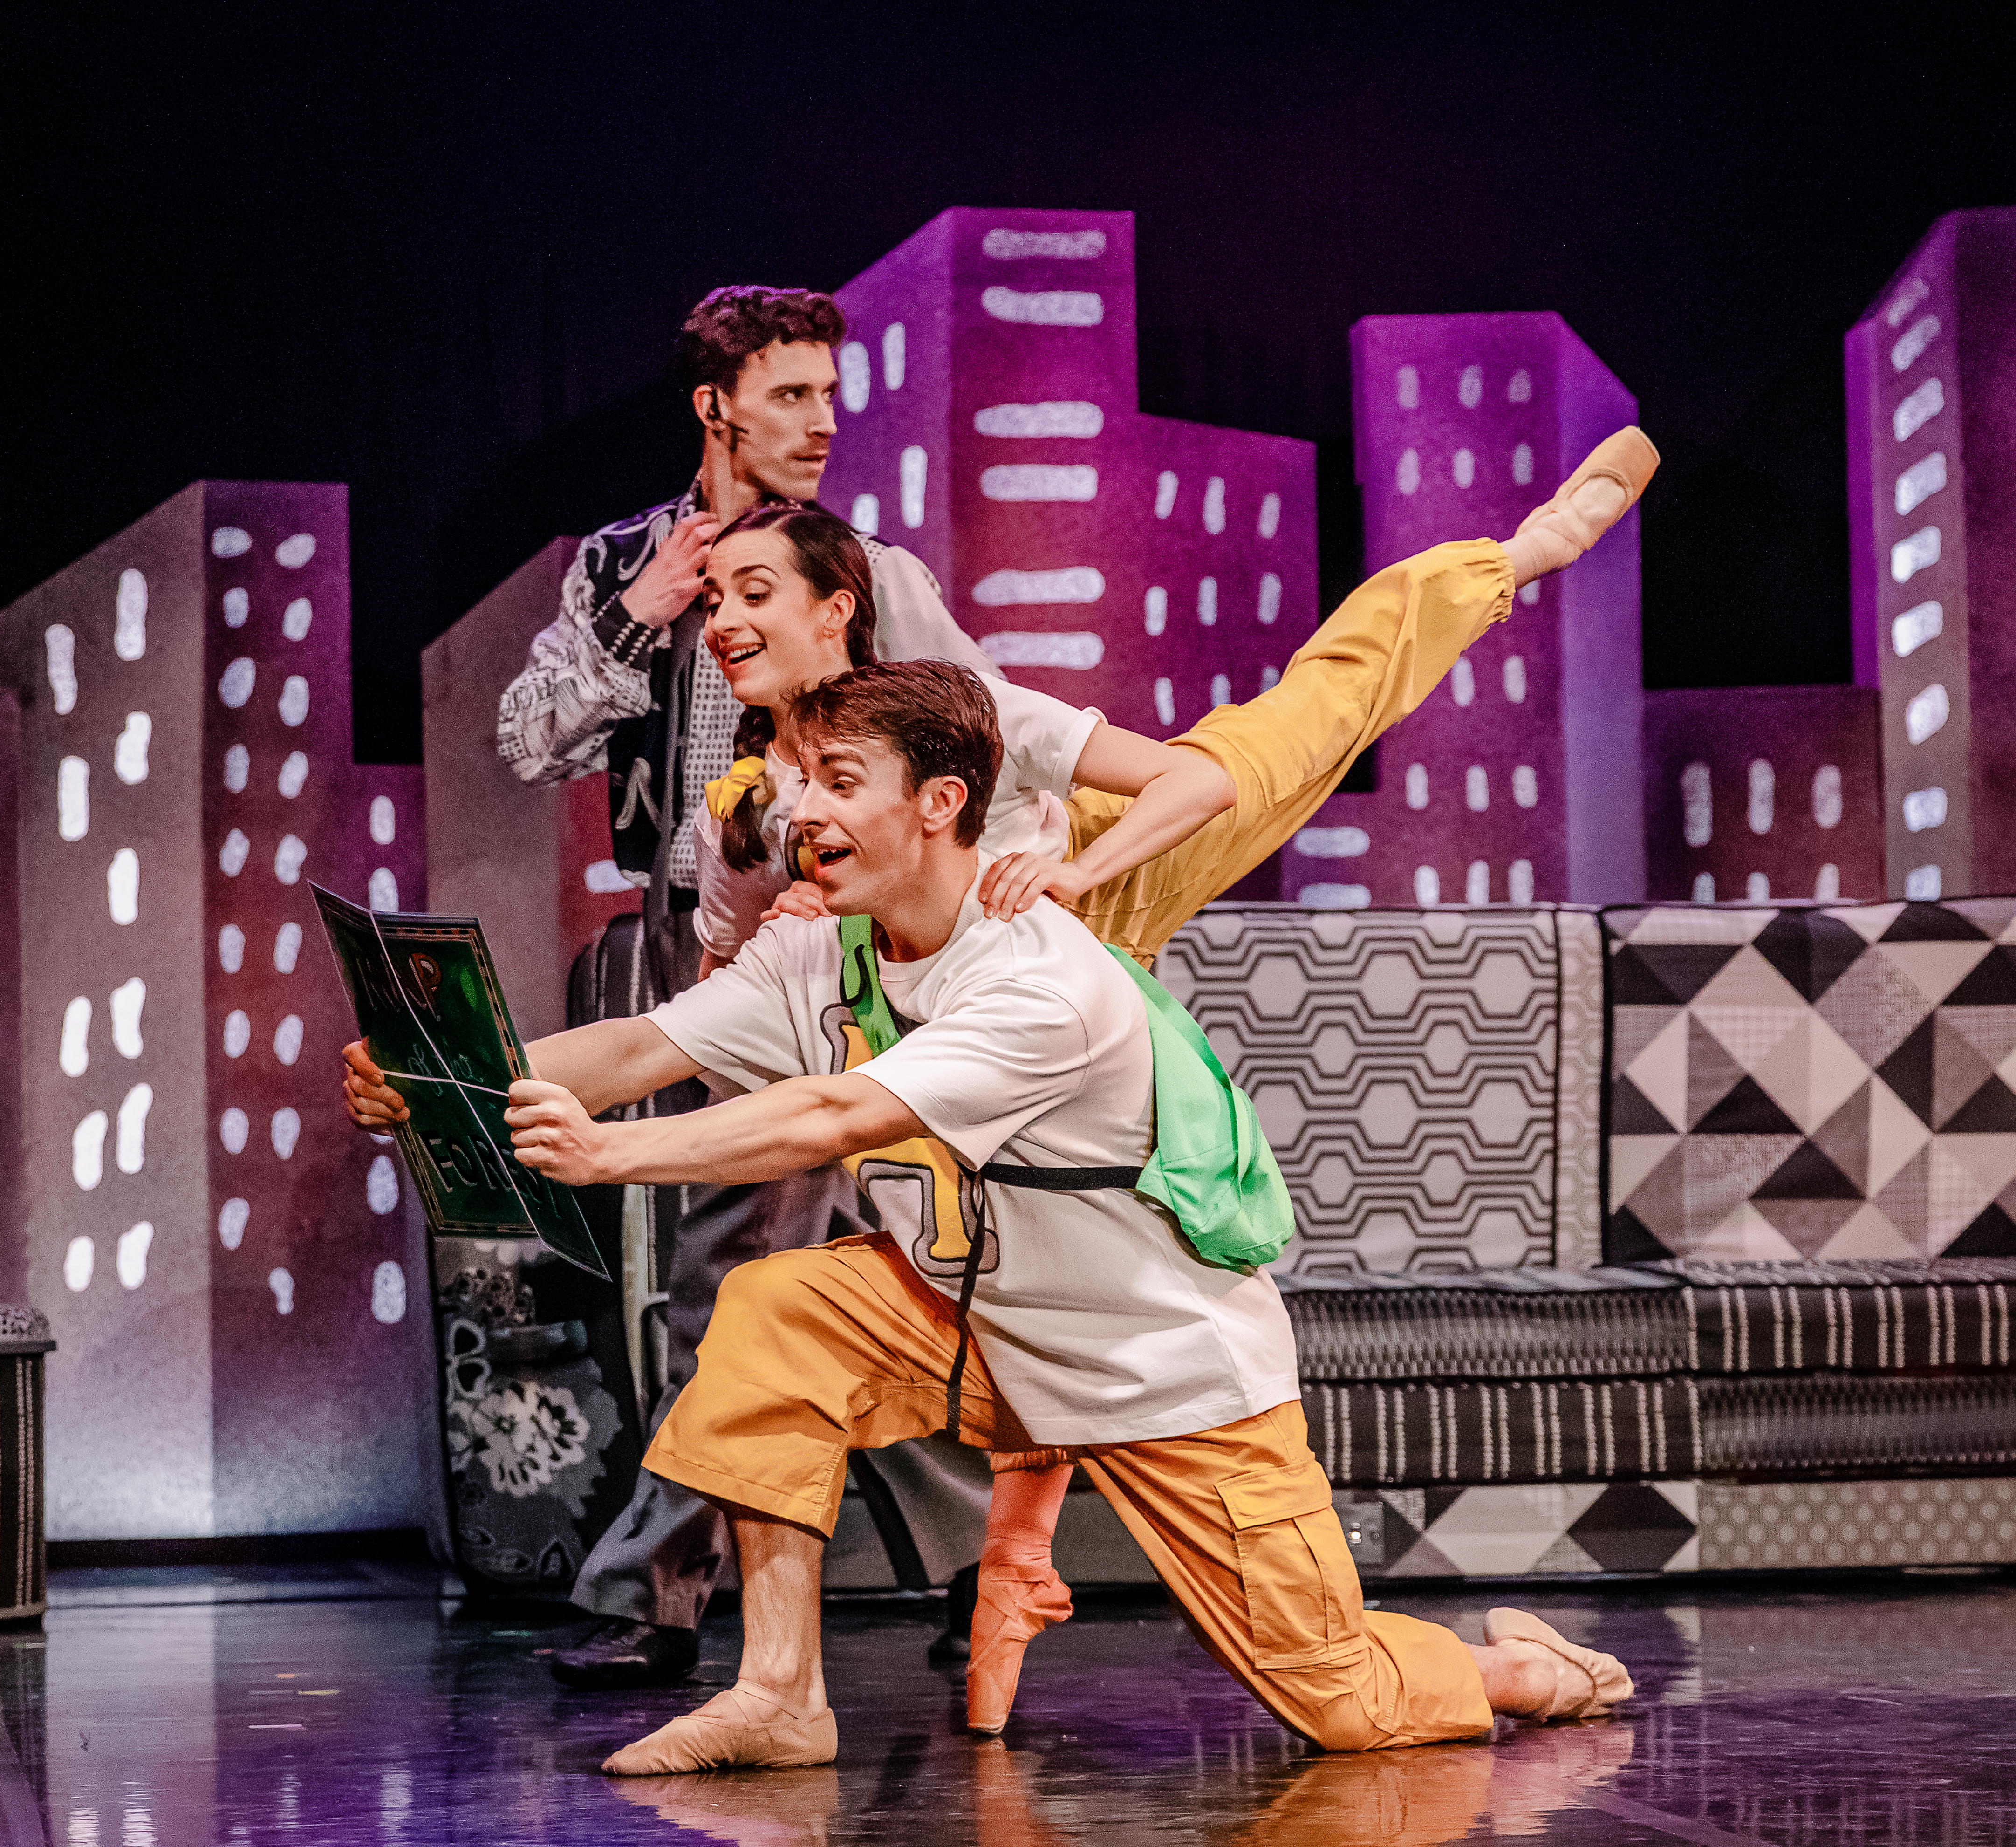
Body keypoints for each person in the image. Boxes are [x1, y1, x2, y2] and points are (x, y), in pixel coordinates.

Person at [354, 659, 1638, 1773]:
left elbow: (831, 1118)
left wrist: (600, 1164)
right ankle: (778, 1692)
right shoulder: (822, 949)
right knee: (778, 1309)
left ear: (940, 801)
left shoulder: (1039, 980)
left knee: (1344, 1704)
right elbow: (643, 1041)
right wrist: (436, 1076)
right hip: (969, 1320)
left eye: (838, 778)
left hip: (1157, 1361)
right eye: (800, 777)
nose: (803, 809)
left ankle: (1523, 1668)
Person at [676, 437, 1658, 1729]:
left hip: (1082, 898)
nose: (727, 619)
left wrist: (1085, 877)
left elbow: (1187, 777)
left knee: (1295, 724)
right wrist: (788, 907)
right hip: (944, 1006)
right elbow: (729, 976)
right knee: (998, 1233)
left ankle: (1512, 554)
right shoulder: (746, 794)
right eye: (714, 600)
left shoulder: (959, 714)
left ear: (833, 607)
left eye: (756, 592)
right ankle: (982, 1574)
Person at [494, 284, 1000, 1692]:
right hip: (676, 934)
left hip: (822, 938)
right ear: (714, 406)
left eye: (830, 397)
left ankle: (650, 1590)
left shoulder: (868, 570)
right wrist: (635, 620)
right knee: (800, 1273)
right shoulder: (621, 565)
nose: (821, 423)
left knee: (745, 1274)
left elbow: (981, 728)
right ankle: (985, 1557)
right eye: (789, 396)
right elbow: (527, 742)